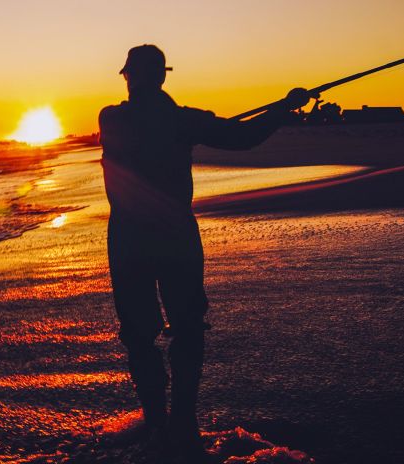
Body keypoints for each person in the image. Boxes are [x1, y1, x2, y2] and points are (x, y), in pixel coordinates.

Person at [99, 44, 312, 459]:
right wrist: (285, 108)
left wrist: (279, 109)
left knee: (140, 335)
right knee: (188, 328)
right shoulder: (182, 120)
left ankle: (160, 424)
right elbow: (242, 138)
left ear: (129, 76)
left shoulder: (113, 118)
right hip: (176, 234)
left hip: (128, 240)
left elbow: (226, 132)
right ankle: (182, 422)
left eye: (128, 75)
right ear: (162, 77)